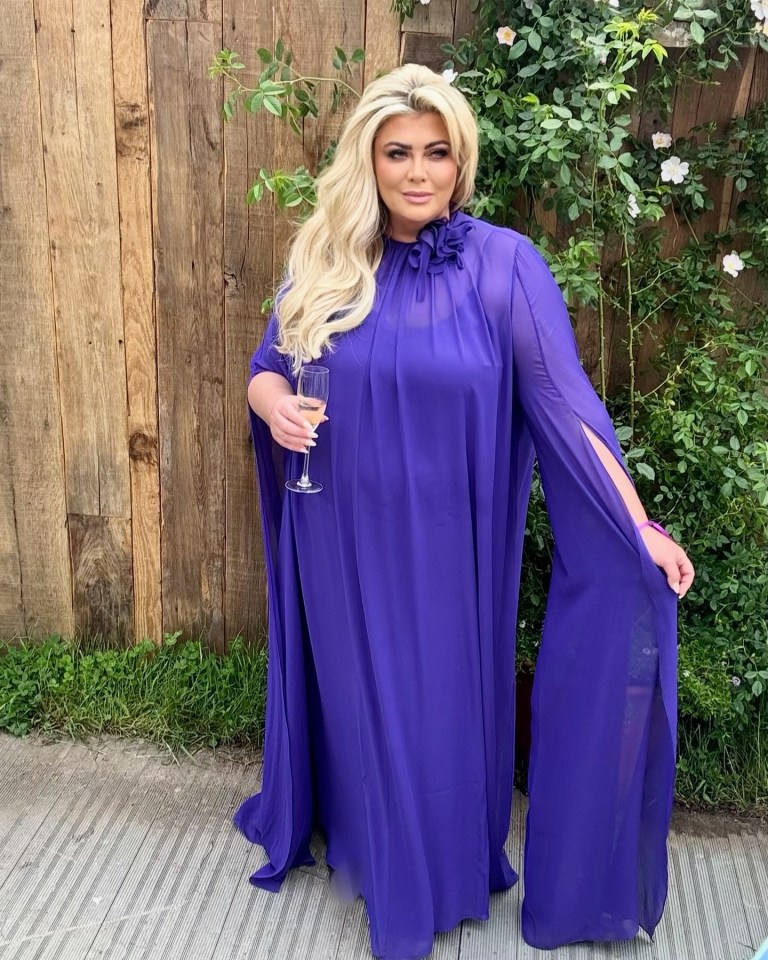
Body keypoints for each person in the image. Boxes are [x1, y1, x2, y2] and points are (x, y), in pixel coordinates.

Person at [232, 62, 695, 960]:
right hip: (338, 533)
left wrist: (635, 522)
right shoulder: (327, 259)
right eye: (397, 151)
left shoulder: (503, 266)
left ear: (460, 162)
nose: (416, 171)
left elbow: (568, 408)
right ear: (367, 161)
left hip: (450, 548)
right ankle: (376, 849)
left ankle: (431, 872)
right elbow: (265, 363)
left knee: (433, 703)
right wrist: (270, 405)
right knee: (363, 700)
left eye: (436, 153)